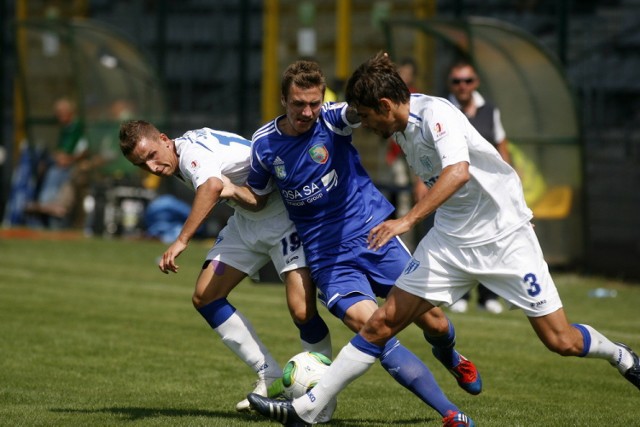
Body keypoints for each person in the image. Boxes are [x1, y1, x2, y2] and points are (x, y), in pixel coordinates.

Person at [247, 51, 640, 426]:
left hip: (504, 239)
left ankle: (622, 356)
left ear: (386, 106)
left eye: (368, 117)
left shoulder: (437, 115)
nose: (365, 125)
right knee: (381, 325)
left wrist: (407, 221)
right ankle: (306, 410)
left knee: (562, 340)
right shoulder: (396, 121)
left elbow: (459, 172)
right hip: (450, 241)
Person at [223, 59, 478, 427]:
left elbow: (369, 107)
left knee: (435, 324)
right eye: (298, 104)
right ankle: (451, 414)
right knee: (376, 331)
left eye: (314, 102)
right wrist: (231, 190)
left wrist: (380, 77)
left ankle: (452, 356)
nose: (307, 112)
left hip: (374, 235)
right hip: (328, 259)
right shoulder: (264, 144)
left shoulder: (333, 118)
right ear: (283, 100)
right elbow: (259, 197)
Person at [118, 120, 332, 412]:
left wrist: (182, 240)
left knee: (302, 311)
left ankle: (320, 399)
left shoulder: (192, 153)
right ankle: (268, 372)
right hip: (246, 222)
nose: (152, 167)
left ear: (165, 140)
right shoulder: (178, 153)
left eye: (152, 155)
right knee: (206, 295)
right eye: (142, 164)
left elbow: (213, 186)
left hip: (283, 220)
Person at [445, 60, 508, 314]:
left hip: (486, 190)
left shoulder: (490, 111)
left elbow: (502, 146)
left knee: (488, 243)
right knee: (457, 243)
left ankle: (487, 296)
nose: (463, 86)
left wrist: (508, 181)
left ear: (476, 82)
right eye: (457, 81)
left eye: (467, 80)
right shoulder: (444, 109)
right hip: (454, 190)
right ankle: (459, 293)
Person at [26, 97, 88, 228]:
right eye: (57, 113)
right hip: (59, 167)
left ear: (70, 112)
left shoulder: (77, 127)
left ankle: (49, 207)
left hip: (70, 169)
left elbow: (83, 149)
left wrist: (69, 159)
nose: (59, 116)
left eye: (61, 112)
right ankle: (44, 207)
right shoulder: (66, 129)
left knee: (55, 177)